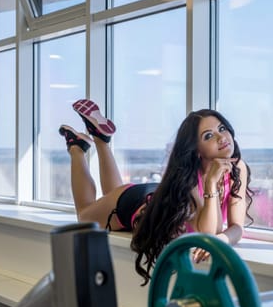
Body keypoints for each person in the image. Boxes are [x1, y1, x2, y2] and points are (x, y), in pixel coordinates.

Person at [59, 99, 254, 285]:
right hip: (136, 204)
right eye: (208, 136)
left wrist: (221, 241)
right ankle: (77, 148)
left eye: (222, 128)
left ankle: (101, 139)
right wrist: (211, 183)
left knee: (113, 193)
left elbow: (235, 227)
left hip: (150, 197)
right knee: (84, 214)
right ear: (197, 151)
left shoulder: (239, 168)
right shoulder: (192, 179)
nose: (221, 137)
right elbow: (209, 232)